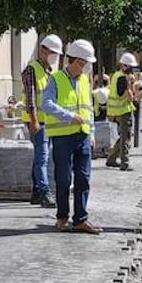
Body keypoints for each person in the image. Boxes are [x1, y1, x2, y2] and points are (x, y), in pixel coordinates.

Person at [42, 39, 100, 234]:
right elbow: (47, 104)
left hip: (83, 136)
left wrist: (92, 132)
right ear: (75, 61)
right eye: (84, 64)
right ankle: (62, 218)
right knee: (64, 179)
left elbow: (88, 108)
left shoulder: (84, 80)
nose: (86, 68)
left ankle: (80, 220)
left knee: (83, 178)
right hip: (62, 138)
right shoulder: (56, 79)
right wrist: (69, 117)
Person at [21, 34, 63, 208]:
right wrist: (34, 121)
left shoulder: (49, 71)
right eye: (53, 52)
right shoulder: (31, 70)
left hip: (48, 122)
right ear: (43, 50)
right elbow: (30, 98)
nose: (55, 56)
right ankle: (45, 193)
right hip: (37, 121)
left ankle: (37, 192)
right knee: (42, 158)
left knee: (41, 157)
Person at [105, 53, 139, 170]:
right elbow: (126, 95)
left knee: (122, 137)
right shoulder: (124, 78)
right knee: (126, 137)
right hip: (124, 111)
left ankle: (111, 159)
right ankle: (125, 162)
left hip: (115, 111)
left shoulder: (116, 75)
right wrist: (131, 88)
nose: (131, 70)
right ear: (124, 66)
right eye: (130, 67)